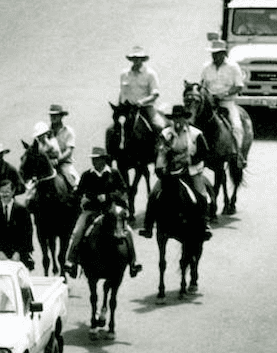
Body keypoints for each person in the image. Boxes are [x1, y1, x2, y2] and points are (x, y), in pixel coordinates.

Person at [64, 146, 142, 278]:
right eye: (93, 159)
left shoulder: (114, 173)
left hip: (111, 208)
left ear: (104, 160)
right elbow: (80, 192)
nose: (94, 162)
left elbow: (123, 191)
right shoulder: (87, 175)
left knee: (127, 230)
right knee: (78, 230)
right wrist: (83, 196)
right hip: (91, 210)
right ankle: (71, 261)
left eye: (97, 159)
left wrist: (108, 196)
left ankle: (133, 262)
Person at [138, 105, 212, 241]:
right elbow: (160, 153)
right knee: (154, 194)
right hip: (170, 171)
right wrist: (160, 169)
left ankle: (205, 223)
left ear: (185, 119)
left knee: (202, 195)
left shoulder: (196, 134)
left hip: (191, 170)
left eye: (181, 118)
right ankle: (148, 226)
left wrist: (190, 160)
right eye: (176, 118)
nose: (178, 121)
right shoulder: (165, 134)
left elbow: (204, 153)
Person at [200, 39, 245, 160]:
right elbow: (203, 85)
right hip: (209, 103)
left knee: (236, 127)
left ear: (223, 54)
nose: (214, 56)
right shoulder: (206, 67)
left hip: (227, 102)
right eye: (213, 53)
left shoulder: (233, 67)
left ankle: (237, 154)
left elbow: (239, 86)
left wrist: (224, 94)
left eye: (217, 53)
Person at [0, 179, 35, 270]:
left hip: (18, 255)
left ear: (13, 191)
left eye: (7, 192)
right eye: (1, 192)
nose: (4, 194)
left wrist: (18, 252)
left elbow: (27, 233)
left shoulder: (22, 210)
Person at [118, 45, 162, 131]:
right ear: (131, 59)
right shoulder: (124, 74)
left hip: (145, 108)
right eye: (134, 58)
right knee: (112, 129)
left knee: (158, 126)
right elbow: (122, 93)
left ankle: (159, 144)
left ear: (142, 59)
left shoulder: (150, 74)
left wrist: (141, 102)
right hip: (127, 109)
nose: (136, 60)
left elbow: (155, 94)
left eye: (138, 58)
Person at [46, 104, 79, 189]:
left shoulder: (68, 131)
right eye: (51, 115)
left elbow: (69, 150)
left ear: (61, 116)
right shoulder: (46, 132)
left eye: (55, 115)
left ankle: (75, 192)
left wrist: (58, 160)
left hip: (64, 163)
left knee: (73, 181)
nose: (53, 117)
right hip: (48, 164)